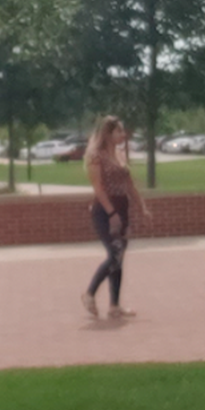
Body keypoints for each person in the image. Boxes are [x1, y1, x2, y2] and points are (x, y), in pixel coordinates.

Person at [81, 115, 149, 319]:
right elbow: (98, 188)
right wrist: (111, 213)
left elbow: (129, 184)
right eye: (118, 131)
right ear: (108, 133)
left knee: (119, 257)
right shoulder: (96, 155)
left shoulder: (119, 154)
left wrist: (141, 206)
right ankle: (89, 293)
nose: (123, 134)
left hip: (122, 207)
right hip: (104, 210)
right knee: (114, 254)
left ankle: (114, 306)